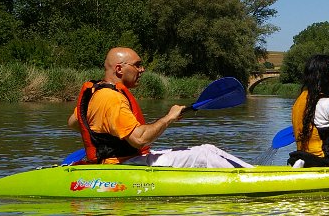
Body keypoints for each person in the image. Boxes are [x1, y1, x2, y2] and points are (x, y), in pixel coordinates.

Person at [68, 47, 252, 168]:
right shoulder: (112, 98)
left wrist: (104, 141)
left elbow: (75, 122)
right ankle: (257, 179)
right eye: (137, 65)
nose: (142, 70)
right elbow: (139, 140)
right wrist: (168, 118)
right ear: (119, 69)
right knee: (204, 155)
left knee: (208, 148)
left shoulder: (95, 92)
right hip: (125, 165)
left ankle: (254, 172)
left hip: (120, 160)